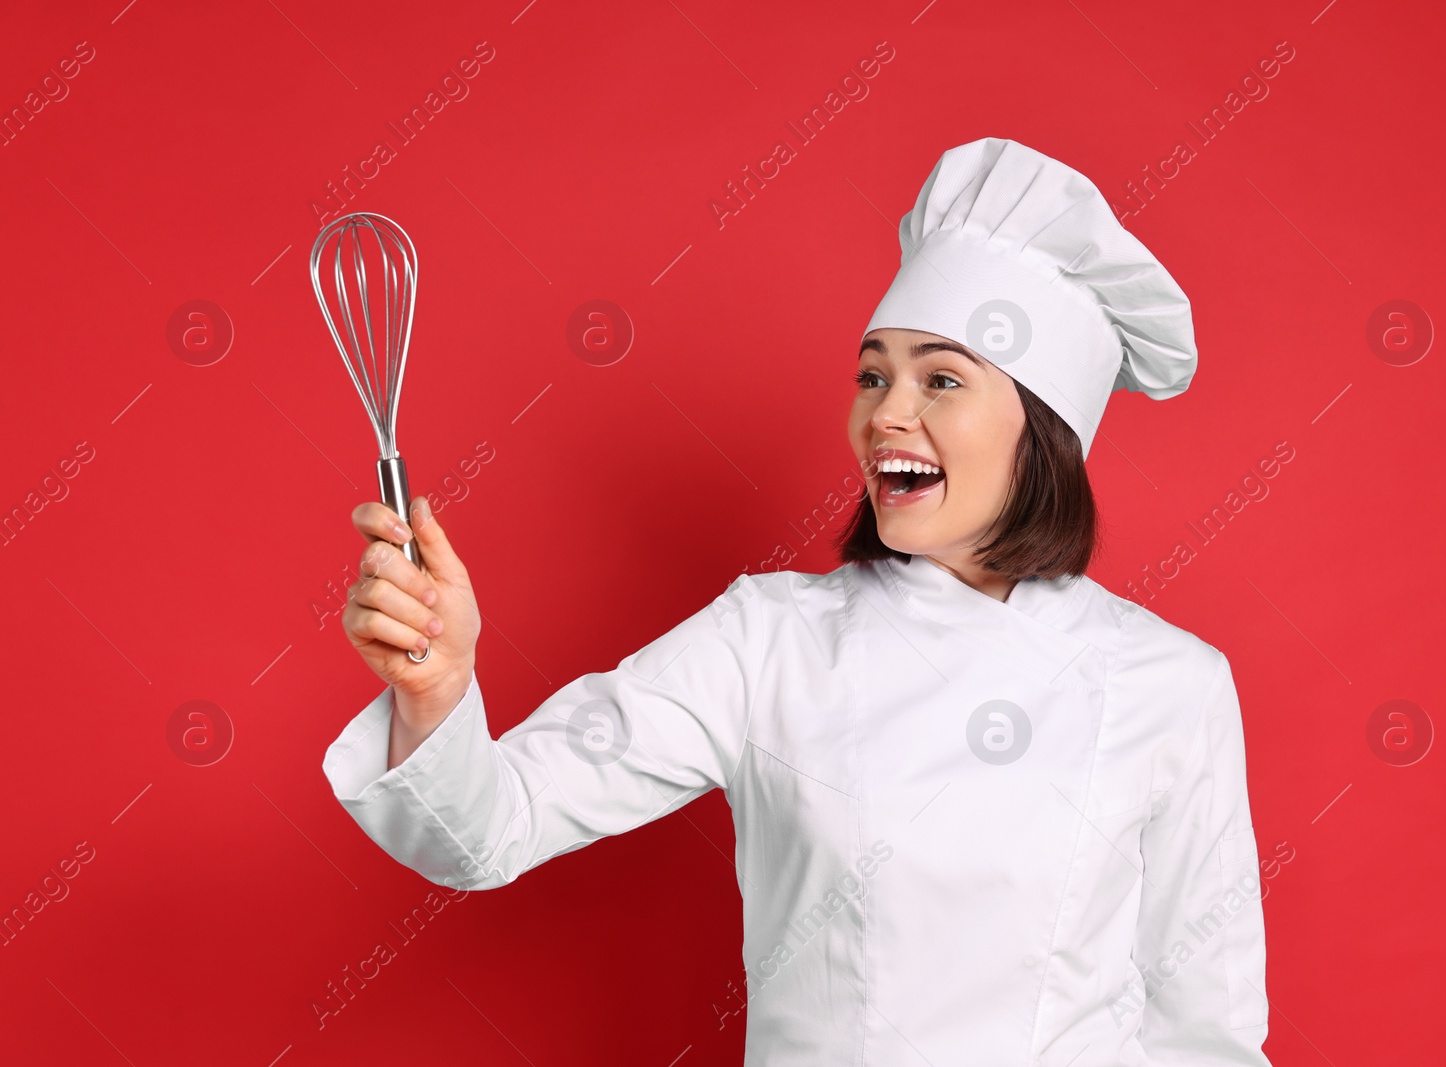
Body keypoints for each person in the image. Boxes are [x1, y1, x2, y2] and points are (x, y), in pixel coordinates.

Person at [322, 137, 1273, 1065]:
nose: (886, 412)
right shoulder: (767, 640)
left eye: (941, 378)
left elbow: (1209, 1037)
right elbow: (492, 829)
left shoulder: (1171, 684)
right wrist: (437, 690)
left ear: (1044, 430)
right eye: (873, 374)